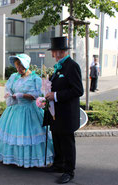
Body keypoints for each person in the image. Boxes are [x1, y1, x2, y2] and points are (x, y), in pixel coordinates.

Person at [0, 53, 54, 168]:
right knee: (12, 137)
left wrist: (22, 95)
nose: (18, 69)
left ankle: (31, 160)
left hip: (29, 111)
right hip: (14, 110)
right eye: (17, 66)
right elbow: (8, 88)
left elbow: (37, 95)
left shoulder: (35, 78)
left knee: (30, 138)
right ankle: (14, 158)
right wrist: (9, 94)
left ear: (27, 65)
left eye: (21, 66)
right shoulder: (14, 76)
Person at [44, 37, 84, 184]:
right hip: (56, 113)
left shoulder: (71, 66)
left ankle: (69, 171)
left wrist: (56, 95)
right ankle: (58, 164)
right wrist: (47, 94)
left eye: (53, 52)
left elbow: (78, 90)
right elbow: (58, 85)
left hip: (67, 113)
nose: (52, 55)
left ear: (59, 52)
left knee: (67, 142)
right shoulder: (59, 66)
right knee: (57, 139)